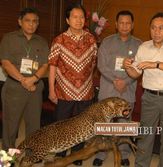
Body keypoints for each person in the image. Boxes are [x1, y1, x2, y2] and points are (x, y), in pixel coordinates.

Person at [124, 12, 163, 167]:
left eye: (161, 28)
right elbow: (135, 73)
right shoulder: (144, 47)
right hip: (149, 98)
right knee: (145, 136)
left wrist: (156, 64)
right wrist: (127, 68)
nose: (156, 31)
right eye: (153, 28)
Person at [48, 3, 97, 166]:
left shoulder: (91, 39)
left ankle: (77, 156)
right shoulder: (59, 39)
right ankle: (60, 155)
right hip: (64, 91)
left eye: (82, 17)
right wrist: (51, 90)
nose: (79, 20)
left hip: (85, 92)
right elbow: (52, 66)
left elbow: (93, 65)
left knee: (81, 126)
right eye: (74, 17)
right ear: (67, 20)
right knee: (62, 125)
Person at [92, 10, 142, 167]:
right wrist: (115, 80)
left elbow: (140, 68)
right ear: (116, 24)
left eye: (128, 23)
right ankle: (100, 153)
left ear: (132, 25)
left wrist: (125, 81)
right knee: (104, 125)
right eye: (122, 22)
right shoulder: (107, 42)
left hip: (126, 92)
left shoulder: (139, 45)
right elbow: (101, 65)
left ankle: (124, 154)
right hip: (108, 90)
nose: (125, 26)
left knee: (124, 125)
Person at [0, 7, 49, 150]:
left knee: (34, 124)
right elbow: (6, 63)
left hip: (35, 88)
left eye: (35, 21)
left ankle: (30, 155)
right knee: (11, 125)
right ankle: (8, 158)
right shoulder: (9, 38)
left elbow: (45, 64)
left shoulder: (42, 41)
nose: (31, 24)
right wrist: (24, 80)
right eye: (27, 21)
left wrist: (33, 79)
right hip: (14, 87)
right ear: (20, 22)